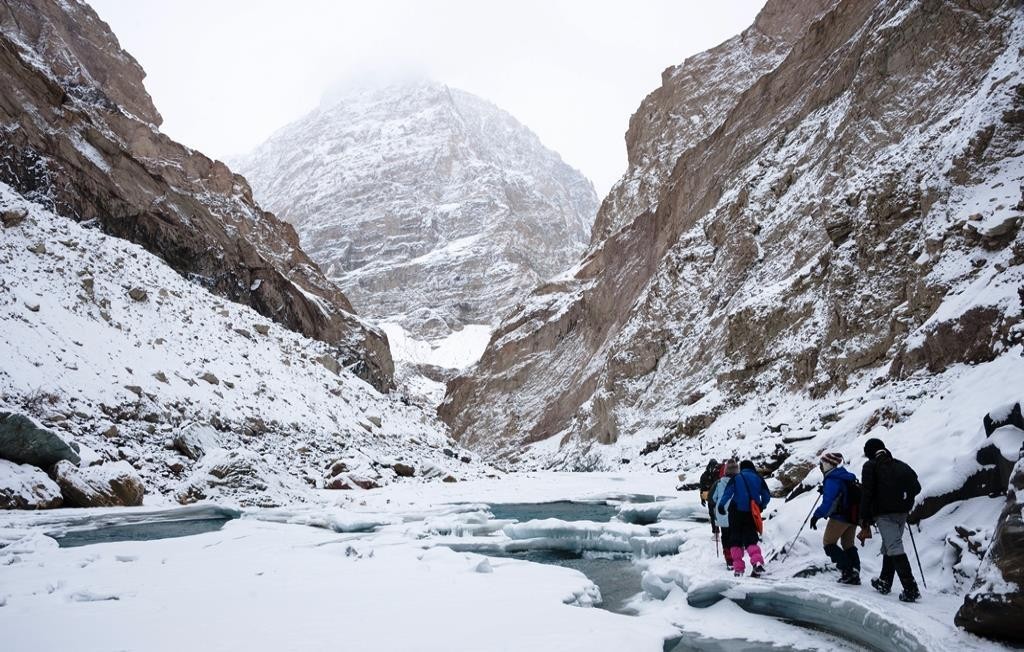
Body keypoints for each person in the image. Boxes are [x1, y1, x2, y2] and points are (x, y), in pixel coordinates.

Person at [857, 438, 922, 602]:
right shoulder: (900, 465)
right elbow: (917, 487)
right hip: (902, 513)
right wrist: (906, 503)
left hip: (884, 514)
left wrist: (864, 517)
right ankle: (884, 582)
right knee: (889, 545)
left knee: (894, 547)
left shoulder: (870, 466)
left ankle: (911, 589)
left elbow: (867, 493)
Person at [810, 452, 861, 584]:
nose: (821, 467)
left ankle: (848, 570)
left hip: (840, 517)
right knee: (848, 544)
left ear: (828, 464)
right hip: (853, 516)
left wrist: (816, 516)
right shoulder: (845, 476)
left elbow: (828, 502)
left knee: (829, 543)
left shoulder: (832, 479)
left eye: (822, 464)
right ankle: (854, 572)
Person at [718, 460, 771, 577]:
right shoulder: (758, 478)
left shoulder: (736, 478)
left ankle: (738, 569)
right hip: (751, 513)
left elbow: (727, 493)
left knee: (735, 539)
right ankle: (757, 561)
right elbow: (767, 495)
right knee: (751, 538)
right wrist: (761, 505)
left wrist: (721, 506)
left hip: (735, 511)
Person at [711, 459, 739, 571]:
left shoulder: (719, 482)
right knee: (735, 536)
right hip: (735, 512)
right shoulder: (739, 481)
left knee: (725, 536)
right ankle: (736, 557)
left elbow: (713, 498)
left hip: (722, 512)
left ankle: (729, 559)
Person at [699, 459, 720, 525]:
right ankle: (715, 530)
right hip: (711, 497)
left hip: (718, 497)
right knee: (712, 514)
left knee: (719, 514)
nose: (714, 467)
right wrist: (702, 498)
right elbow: (702, 487)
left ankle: (717, 530)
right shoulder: (705, 475)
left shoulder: (719, 473)